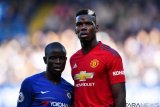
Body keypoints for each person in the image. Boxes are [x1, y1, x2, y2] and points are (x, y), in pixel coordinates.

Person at [70, 9, 126, 107]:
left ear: (96, 28)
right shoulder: (73, 58)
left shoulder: (111, 55)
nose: (83, 27)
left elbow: (120, 96)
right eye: (79, 24)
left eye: (88, 24)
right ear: (75, 29)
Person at [17, 42, 73, 107]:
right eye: (53, 58)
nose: (58, 62)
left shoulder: (70, 89)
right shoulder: (30, 83)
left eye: (61, 58)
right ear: (45, 60)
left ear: (66, 60)